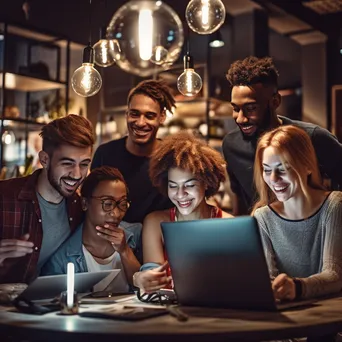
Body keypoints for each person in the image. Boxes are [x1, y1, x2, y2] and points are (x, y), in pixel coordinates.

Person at [222, 56, 342, 215]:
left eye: (251, 108)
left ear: (275, 101)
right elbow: (240, 201)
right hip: (262, 231)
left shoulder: (312, 137)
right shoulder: (231, 145)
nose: (240, 118)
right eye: (236, 109)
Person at [132, 131, 233, 293]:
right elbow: (153, 272)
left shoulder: (229, 224)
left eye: (190, 185)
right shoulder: (156, 222)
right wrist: (142, 277)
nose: (180, 194)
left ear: (206, 183)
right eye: (173, 186)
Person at [0, 114, 95, 284]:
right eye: (67, 163)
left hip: (51, 306)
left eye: (84, 164)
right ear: (44, 159)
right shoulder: (4, 197)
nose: (77, 174)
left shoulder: (79, 207)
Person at [252, 125, 342, 302]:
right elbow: (267, 279)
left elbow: (335, 275)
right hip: (288, 320)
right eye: (267, 170)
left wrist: (296, 287)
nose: (274, 179)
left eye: (283, 168)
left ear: (308, 166)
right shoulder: (262, 217)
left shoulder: (335, 205)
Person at [42, 166, 141, 292]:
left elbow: (146, 289)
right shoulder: (63, 259)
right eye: (107, 203)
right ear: (84, 203)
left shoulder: (136, 236)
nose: (116, 213)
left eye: (122, 204)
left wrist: (125, 251)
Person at [91, 79, 175, 224]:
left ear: (162, 117)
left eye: (149, 116)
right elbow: (92, 205)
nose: (140, 122)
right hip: (111, 240)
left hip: (160, 242)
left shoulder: (172, 158)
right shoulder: (105, 154)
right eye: (135, 114)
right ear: (126, 114)